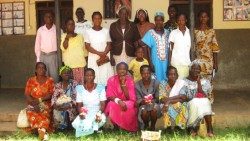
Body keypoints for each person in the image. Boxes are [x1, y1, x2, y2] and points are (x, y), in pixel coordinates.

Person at [179, 60, 214, 137]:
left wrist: (199, 83)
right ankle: (192, 127)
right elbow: (182, 96)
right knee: (195, 102)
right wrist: (192, 98)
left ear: (200, 71)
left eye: (198, 69)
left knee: (205, 101)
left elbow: (204, 95)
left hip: (202, 102)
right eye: (193, 68)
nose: (196, 70)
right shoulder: (184, 81)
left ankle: (209, 128)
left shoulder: (205, 81)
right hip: (189, 102)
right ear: (189, 70)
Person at [72, 68, 106, 137]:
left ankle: (91, 128)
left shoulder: (101, 87)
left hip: (97, 111)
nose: (89, 77)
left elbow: (103, 104)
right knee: (77, 123)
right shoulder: (80, 88)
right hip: (85, 112)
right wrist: (81, 113)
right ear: (84, 77)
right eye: (87, 75)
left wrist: (99, 113)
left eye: (91, 75)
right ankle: (95, 129)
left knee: (102, 119)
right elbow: (79, 105)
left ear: (94, 76)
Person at [194, 11, 220, 103]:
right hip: (198, 63)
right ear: (198, 18)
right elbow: (193, 48)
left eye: (205, 17)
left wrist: (216, 64)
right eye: (201, 17)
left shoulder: (212, 31)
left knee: (208, 83)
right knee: (198, 83)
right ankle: (200, 103)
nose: (203, 19)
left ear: (208, 18)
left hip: (209, 63)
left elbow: (215, 48)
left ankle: (209, 103)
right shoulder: (195, 31)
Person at [25, 62, 54, 140]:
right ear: (36, 70)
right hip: (33, 103)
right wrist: (34, 104)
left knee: (44, 111)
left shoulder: (50, 80)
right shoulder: (31, 80)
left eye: (43, 68)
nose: (41, 69)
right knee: (31, 111)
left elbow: (51, 94)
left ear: (46, 70)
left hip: (45, 103)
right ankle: (43, 131)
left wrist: (39, 100)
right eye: (39, 68)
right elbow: (27, 94)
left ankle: (41, 131)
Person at [105, 62, 138, 132]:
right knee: (111, 104)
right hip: (116, 101)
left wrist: (123, 84)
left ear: (127, 71)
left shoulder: (130, 80)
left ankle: (126, 127)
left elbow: (130, 97)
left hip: (128, 101)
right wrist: (118, 101)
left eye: (124, 69)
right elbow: (109, 95)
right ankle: (116, 126)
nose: (122, 71)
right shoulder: (111, 80)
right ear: (116, 70)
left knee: (128, 106)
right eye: (120, 69)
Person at [85, 12, 114, 85]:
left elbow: (109, 44)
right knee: (94, 77)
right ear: (92, 20)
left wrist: (104, 54)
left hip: (104, 58)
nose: (97, 20)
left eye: (99, 18)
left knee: (105, 76)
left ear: (101, 20)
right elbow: (87, 46)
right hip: (93, 58)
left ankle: (105, 94)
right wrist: (99, 53)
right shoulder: (88, 32)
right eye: (95, 18)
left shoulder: (106, 31)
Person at [142, 12, 170, 82]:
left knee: (166, 78)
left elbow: (170, 48)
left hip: (166, 61)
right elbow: (148, 49)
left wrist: (169, 62)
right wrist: (150, 63)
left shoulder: (167, 33)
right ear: (154, 21)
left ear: (163, 21)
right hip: (155, 61)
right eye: (157, 20)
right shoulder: (150, 33)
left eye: (160, 20)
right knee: (156, 79)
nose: (158, 22)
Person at [61, 18, 88, 84]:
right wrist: (67, 38)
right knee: (71, 87)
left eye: (72, 24)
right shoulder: (63, 36)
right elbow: (64, 47)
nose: (71, 26)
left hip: (80, 65)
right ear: (66, 26)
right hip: (69, 67)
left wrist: (85, 64)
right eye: (69, 24)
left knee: (80, 86)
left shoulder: (80, 36)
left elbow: (84, 51)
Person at [51, 66, 78, 130]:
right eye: (64, 73)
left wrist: (69, 105)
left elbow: (77, 98)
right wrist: (55, 105)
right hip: (60, 106)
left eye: (68, 73)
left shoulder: (74, 84)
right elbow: (54, 97)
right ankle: (61, 126)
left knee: (68, 111)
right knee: (56, 110)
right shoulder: (58, 85)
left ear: (71, 74)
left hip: (71, 106)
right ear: (60, 75)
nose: (66, 74)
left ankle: (68, 125)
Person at [35, 11, 58, 82]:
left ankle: (55, 92)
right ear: (44, 18)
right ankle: (45, 93)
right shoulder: (40, 30)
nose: (49, 18)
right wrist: (38, 59)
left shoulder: (58, 29)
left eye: (50, 16)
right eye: (47, 17)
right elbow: (37, 44)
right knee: (43, 77)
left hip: (53, 56)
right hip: (43, 56)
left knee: (55, 77)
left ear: (53, 18)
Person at [136, 65, 160, 130]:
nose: (146, 75)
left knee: (154, 110)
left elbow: (158, 98)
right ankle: (146, 125)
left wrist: (152, 101)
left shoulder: (156, 83)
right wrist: (143, 101)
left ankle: (153, 126)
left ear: (150, 74)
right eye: (144, 73)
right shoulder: (137, 85)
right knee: (143, 111)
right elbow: (138, 99)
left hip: (154, 103)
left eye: (148, 73)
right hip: (143, 104)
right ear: (141, 74)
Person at [169, 14, 191, 79]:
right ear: (177, 21)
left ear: (186, 20)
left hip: (186, 63)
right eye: (179, 20)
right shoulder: (173, 33)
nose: (181, 22)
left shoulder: (190, 33)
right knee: (176, 84)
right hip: (176, 63)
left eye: (183, 20)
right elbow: (170, 49)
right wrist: (170, 63)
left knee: (185, 84)